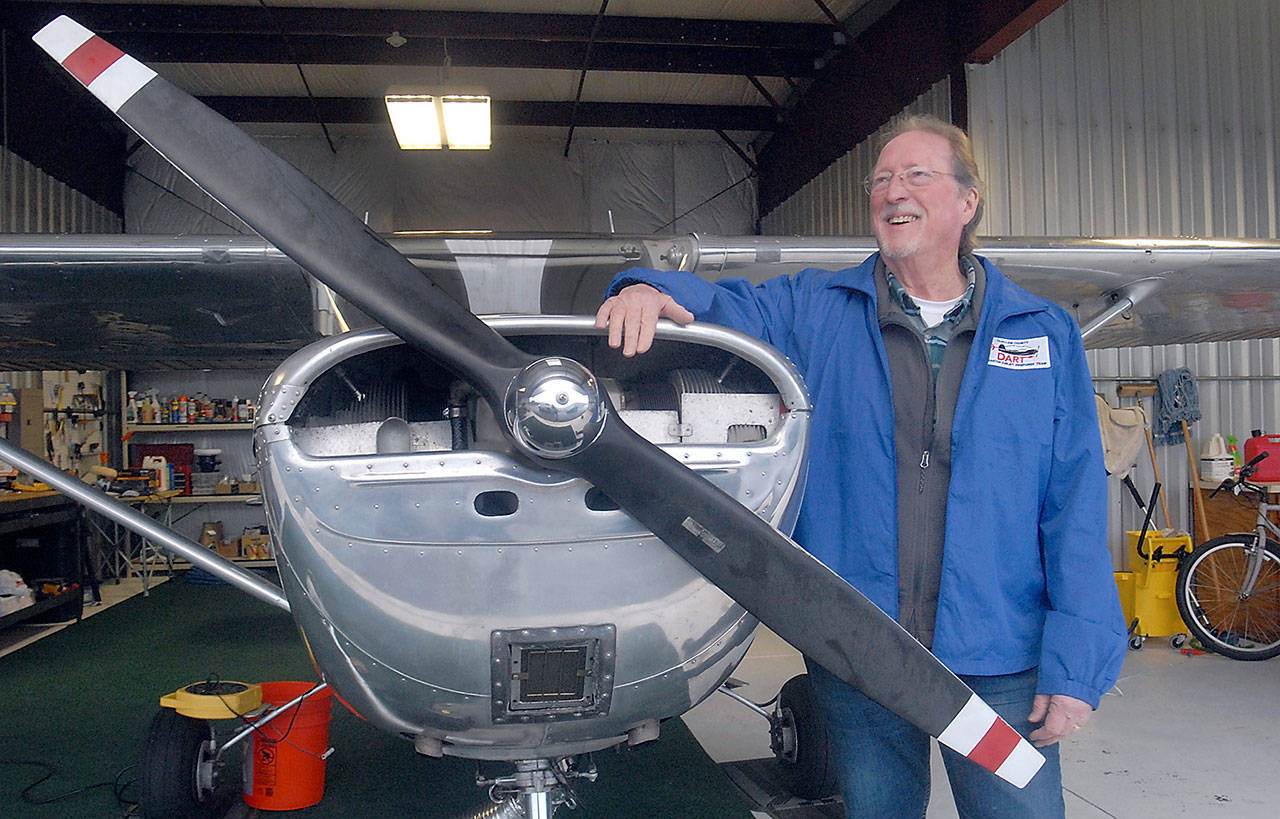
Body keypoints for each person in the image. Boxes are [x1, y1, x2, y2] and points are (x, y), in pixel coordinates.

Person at [595, 114, 1126, 817]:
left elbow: (1075, 506)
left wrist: (1078, 659)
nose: (891, 190)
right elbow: (719, 303)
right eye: (881, 179)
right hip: (862, 651)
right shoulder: (817, 310)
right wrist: (643, 287)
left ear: (968, 202)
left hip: (1002, 653)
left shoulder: (1042, 332)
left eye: (915, 175)